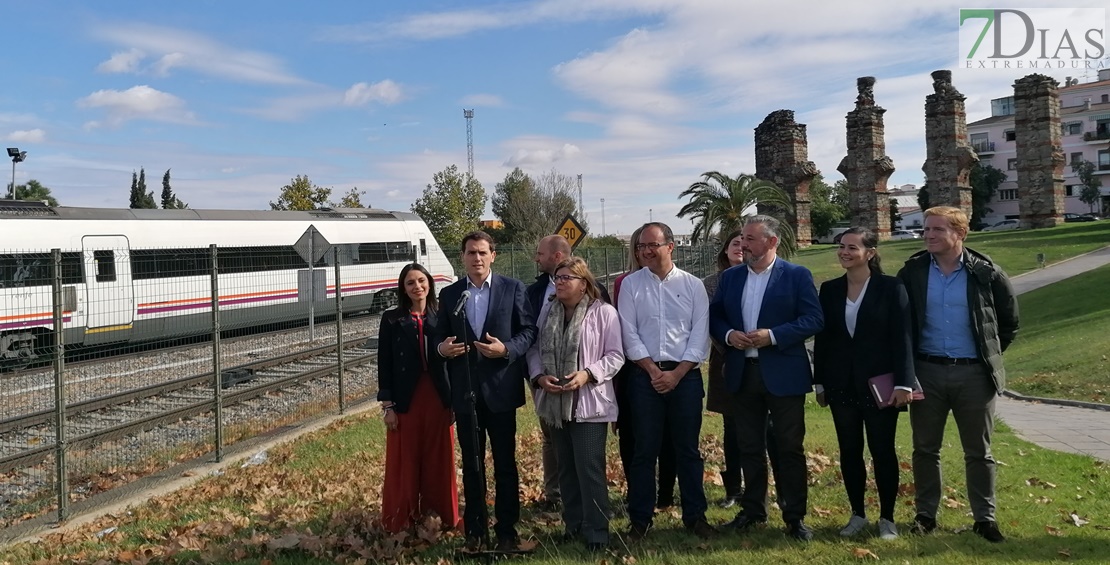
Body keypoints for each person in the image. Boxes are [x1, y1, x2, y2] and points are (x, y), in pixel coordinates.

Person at [897, 206, 1018, 543]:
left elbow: (1007, 324)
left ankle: (985, 518)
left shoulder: (987, 272)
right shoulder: (913, 272)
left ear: (960, 233)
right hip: (927, 372)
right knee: (924, 449)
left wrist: (985, 358)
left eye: (937, 229)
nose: (929, 236)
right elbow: (901, 324)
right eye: (926, 229)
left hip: (974, 376)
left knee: (979, 452)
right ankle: (925, 515)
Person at [709, 214, 823, 542]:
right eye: (742, 238)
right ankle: (753, 510)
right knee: (749, 446)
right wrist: (729, 335)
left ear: (772, 242)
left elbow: (814, 319)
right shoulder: (731, 278)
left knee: (789, 447)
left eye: (750, 238)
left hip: (784, 374)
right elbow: (715, 316)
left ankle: (795, 517)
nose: (743, 244)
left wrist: (772, 335)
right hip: (743, 373)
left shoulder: (796, 275)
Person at [436, 231, 537, 552]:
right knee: (472, 463)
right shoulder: (451, 295)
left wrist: (506, 349)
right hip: (466, 393)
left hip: (501, 391)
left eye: (482, 253)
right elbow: (438, 336)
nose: (476, 259)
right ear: (462, 257)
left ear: (493, 255)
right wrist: (442, 348)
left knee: (505, 463)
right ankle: (476, 532)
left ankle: (507, 530)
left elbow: (529, 331)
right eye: (470, 253)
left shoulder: (513, 288)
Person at [812, 227, 915, 540]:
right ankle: (857, 514)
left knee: (882, 451)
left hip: (880, 385)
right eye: (841, 246)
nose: (844, 252)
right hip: (841, 385)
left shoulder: (891, 288)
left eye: (852, 247)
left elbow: (903, 338)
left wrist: (905, 383)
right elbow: (824, 340)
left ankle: (887, 519)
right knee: (849, 450)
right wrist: (819, 383)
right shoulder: (829, 290)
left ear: (870, 253)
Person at [618, 222, 714, 541]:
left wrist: (676, 373)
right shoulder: (631, 285)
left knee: (687, 450)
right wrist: (653, 371)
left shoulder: (692, 285)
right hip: (644, 378)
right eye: (641, 246)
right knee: (644, 450)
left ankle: (695, 516)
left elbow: (699, 336)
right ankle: (640, 519)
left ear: (670, 246)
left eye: (652, 245)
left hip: (685, 378)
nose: (645, 251)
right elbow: (628, 333)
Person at [527, 257, 625, 551]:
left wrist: (587, 374)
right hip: (555, 404)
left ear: (584, 284)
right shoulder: (548, 312)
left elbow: (616, 355)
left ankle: (597, 530)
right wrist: (539, 375)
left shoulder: (604, 313)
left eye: (566, 278)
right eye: (557, 277)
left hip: (589, 405)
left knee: (588, 468)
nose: (559, 282)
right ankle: (573, 525)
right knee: (566, 469)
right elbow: (533, 349)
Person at [377, 263, 460, 534]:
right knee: (405, 459)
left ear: (430, 284)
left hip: (438, 396)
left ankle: (441, 515)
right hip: (406, 398)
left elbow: (453, 363)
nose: (417, 287)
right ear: (403, 288)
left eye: (422, 281)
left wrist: (455, 399)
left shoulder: (441, 316)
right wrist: (387, 405)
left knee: (440, 458)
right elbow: (384, 364)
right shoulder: (391, 320)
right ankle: (401, 517)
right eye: (411, 282)